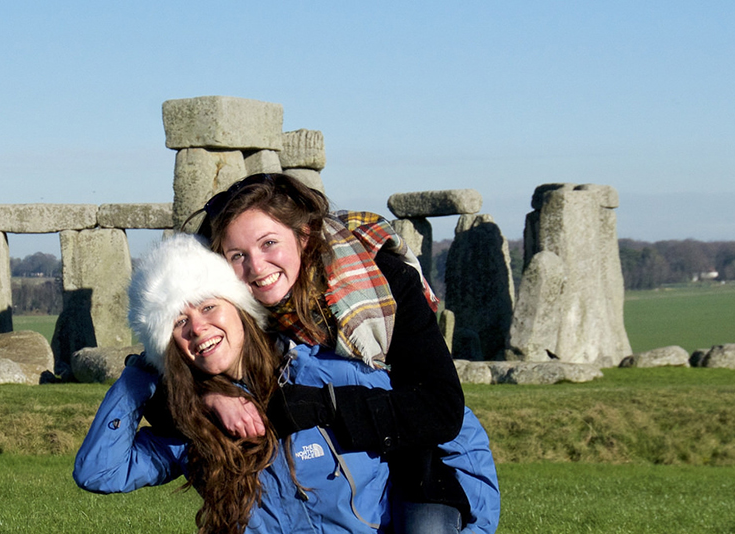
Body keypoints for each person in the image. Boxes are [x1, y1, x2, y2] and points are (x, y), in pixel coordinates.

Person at [196, 173, 497, 533]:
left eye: (269, 243)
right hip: (317, 484)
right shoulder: (228, 310)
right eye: (237, 255)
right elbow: (170, 384)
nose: (257, 267)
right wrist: (212, 394)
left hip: (417, 462)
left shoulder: (383, 280)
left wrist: (324, 406)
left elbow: (441, 408)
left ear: (304, 236)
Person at [76, 236, 397, 533]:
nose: (198, 328)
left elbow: (434, 430)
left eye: (208, 306)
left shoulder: (328, 373)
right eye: (178, 321)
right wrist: (142, 370)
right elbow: (100, 473)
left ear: (240, 308)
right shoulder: (193, 427)